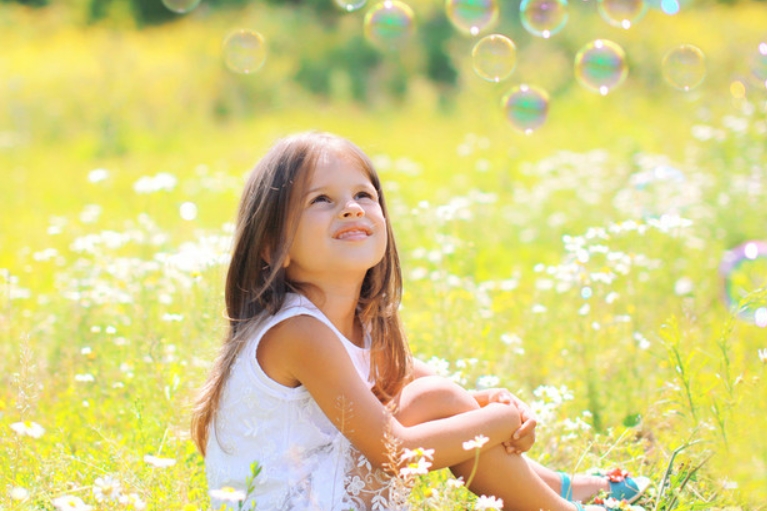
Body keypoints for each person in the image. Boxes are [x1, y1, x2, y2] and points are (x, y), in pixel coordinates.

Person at [190, 131, 649, 510]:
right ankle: (560, 503)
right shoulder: (298, 332)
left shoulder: (364, 323)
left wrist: (491, 406)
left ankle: (558, 488)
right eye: (322, 200)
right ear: (274, 248)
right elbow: (396, 451)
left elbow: (434, 394)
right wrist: (501, 418)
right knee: (438, 399)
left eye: (363, 195)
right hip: (299, 501)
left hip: (324, 488)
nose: (350, 208)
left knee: (443, 397)